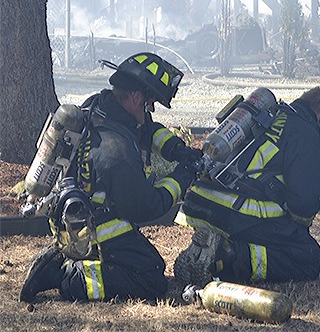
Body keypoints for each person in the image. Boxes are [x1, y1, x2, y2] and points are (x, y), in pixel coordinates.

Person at [19, 52, 202, 303]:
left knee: (147, 264)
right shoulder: (116, 151)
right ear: (137, 97)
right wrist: (183, 176)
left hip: (68, 218)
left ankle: (67, 255)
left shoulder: (100, 106)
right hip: (97, 230)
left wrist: (177, 150)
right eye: (150, 104)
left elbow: (147, 130)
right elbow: (146, 206)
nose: (150, 110)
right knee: (150, 276)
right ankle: (65, 275)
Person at [174, 86, 320, 286]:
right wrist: (298, 232)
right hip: (239, 213)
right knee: (308, 257)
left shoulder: (272, 114)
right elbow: (303, 200)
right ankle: (227, 258)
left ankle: (206, 248)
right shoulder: (307, 135)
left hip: (201, 203)